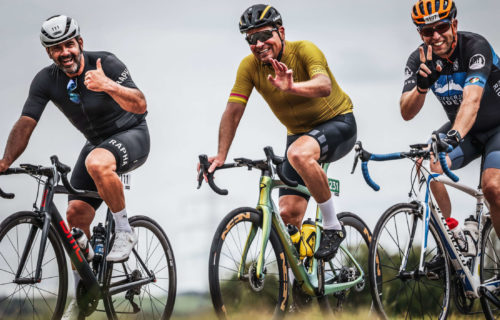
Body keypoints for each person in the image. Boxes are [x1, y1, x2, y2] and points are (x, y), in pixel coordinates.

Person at [0, 15, 149, 318]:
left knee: (96, 161)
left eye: (69, 44)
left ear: (80, 43)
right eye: (56, 48)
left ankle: (124, 230)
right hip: (96, 144)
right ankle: (84, 293)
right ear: (49, 53)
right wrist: (4, 162)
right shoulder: (45, 80)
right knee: (74, 215)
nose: (64, 52)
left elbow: (140, 104)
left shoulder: (106, 63)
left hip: (132, 135)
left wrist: (107, 85)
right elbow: (26, 122)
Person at [204, 4, 357, 261]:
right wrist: (220, 155)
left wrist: (292, 87)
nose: (259, 43)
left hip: (338, 124)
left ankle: (332, 225)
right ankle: (301, 283)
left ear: (281, 32)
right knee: (287, 215)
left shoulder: (305, 50)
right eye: (252, 39)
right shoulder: (249, 67)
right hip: (299, 135)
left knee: (297, 153)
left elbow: (324, 85)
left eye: (265, 35)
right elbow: (233, 111)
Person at [401, 0, 500, 241]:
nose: (435, 36)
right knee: (427, 162)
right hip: (467, 130)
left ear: (454, 25)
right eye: (427, 31)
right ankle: (452, 235)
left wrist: (454, 136)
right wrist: (422, 88)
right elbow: (406, 111)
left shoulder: (476, 47)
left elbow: (471, 101)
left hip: (496, 126)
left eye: (441, 27)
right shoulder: (419, 59)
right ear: (420, 33)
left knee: (492, 187)